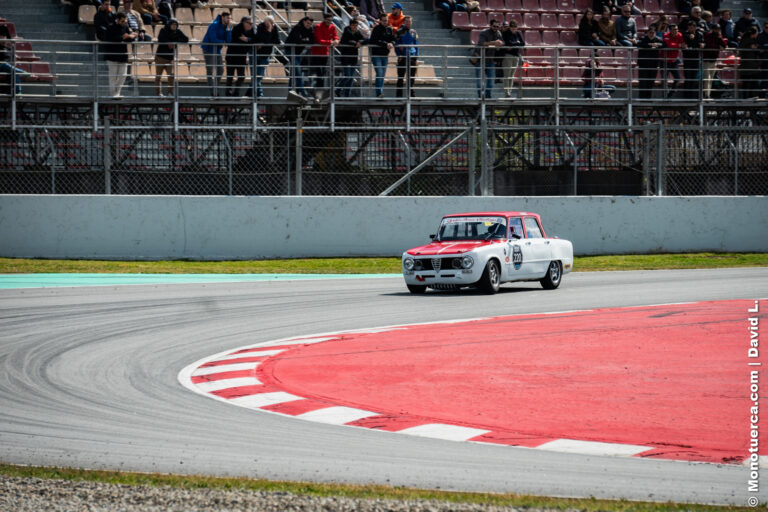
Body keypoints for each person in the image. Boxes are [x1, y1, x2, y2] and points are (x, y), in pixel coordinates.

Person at [104, 12, 137, 97]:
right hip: (112, 55)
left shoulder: (125, 27)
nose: (124, 23)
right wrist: (122, 37)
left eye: (125, 21)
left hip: (122, 54)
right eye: (122, 21)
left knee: (123, 75)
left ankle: (117, 92)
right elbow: (109, 40)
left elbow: (128, 40)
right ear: (117, 20)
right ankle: (113, 94)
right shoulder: (110, 27)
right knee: (113, 76)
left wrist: (132, 37)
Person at [201, 11, 233, 96]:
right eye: (227, 18)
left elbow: (229, 41)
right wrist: (222, 42)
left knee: (220, 70)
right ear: (222, 17)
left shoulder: (226, 26)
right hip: (208, 49)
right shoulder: (214, 25)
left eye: (230, 18)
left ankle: (215, 88)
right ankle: (212, 91)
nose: (229, 20)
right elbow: (213, 39)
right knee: (210, 70)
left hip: (217, 50)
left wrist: (229, 29)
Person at [154, 17, 188, 96]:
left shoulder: (177, 32)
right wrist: (168, 43)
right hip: (160, 57)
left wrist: (175, 42)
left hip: (170, 59)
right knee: (158, 76)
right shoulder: (163, 30)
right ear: (169, 24)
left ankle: (170, 92)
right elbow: (160, 39)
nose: (174, 26)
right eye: (173, 24)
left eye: (176, 25)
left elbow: (186, 39)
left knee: (171, 76)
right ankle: (158, 93)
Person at [310, 12, 340, 97]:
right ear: (324, 19)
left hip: (325, 53)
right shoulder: (318, 27)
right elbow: (319, 40)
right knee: (319, 72)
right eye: (327, 20)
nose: (329, 22)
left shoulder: (332, 27)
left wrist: (336, 41)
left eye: (331, 20)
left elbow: (335, 36)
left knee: (322, 72)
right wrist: (331, 42)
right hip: (317, 53)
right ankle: (318, 91)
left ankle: (320, 91)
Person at [225, 16, 254, 97]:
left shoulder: (251, 30)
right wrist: (247, 41)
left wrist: (247, 39)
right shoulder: (237, 28)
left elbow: (254, 40)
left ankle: (236, 92)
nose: (251, 25)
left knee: (241, 76)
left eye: (252, 23)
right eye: (249, 23)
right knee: (230, 76)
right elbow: (236, 39)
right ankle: (228, 93)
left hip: (241, 57)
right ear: (244, 22)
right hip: (232, 56)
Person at [285, 16, 314, 97]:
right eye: (308, 23)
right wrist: (306, 40)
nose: (309, 25)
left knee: (294, 71)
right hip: (290, 50)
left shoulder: (310, 29)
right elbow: (297, 40)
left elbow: (312, 40)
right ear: (304, 21)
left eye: (310, 24)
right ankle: (302, 90)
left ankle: (291, 90)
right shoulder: (297, 28)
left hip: (298, 52)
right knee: (297, 69)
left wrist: (303, 40)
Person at [475, 18, 503, 98]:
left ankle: (487, 97)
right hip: (480, 59)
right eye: (494, 26)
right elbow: (482, 43)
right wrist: (494, 42)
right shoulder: (484, 33)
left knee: (491, 81)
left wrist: (501, 43)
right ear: (490, 25)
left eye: (497, 27)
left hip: (490, 60)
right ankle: (480, 97)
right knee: (479, 81)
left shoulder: (498, 33)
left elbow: (503, 42)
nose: (496, 28)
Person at [369, 12, 395, 97]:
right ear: (380, 21)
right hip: (376, 55)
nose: (385, 22)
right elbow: (374, 40)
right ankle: (379, 92)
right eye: (383, 21)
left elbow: (393, 39)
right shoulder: (376, 29)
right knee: (380, 73)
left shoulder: (389, 29)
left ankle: (380, 92)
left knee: (382, 74)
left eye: (386, 21)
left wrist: (392, 43)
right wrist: (386, 44)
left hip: (385, 55)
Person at [253, 16, 280, 98]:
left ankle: (255, 92)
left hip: (266, 54)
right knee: (256, 74)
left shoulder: (274, 28)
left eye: (273, 22)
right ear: (266, 22)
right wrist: (268, 32)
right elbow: (261, 38)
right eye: (270, 22)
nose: (272, 24)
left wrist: (266, 40)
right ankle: (258, 93)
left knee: (260, 75)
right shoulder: (260, 27)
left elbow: (277, 41)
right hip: (257, 54)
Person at [338, 18, 366, 96]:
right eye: (353, 25)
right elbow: (344, 41)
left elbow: (364, 39)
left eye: (356, 26)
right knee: (348, 76)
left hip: (353, 57)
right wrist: (355, 43)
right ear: (350, 25)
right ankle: (338, 89)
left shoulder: (357, 32)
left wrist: (360, 42)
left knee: (351, 77)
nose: (354, 27)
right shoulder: (346, 31)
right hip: (346, 57)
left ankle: (347, 94)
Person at [637, 25, 664, 98]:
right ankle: (641, 99)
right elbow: (639, 44)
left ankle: (648, 99)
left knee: (650, 82)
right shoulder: (643, 38)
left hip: (653, 65)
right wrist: (651, 45)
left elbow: (664, 44)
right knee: (643, 83)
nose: (651, 34)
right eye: (650, 32)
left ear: (655, 33)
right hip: (643, 65)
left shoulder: (658, 39)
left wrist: (657, 45)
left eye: (653, 32)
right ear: (647, 33)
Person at [395, 15, 418, 97]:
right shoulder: (399, 32)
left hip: (412, 57)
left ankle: (411, 95)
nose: (408, 23)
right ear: (404, 22)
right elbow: (396, 45)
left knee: (411, 78)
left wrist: (416, 56)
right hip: (403, 57)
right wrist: (399, 55)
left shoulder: (414, 32)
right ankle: (399, 97)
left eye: (410, 21)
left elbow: (416, 44)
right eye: (407, 21)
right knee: (400, 78)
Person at [702, 24, 727, 98]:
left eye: (719, 29)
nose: (718, 30)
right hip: (706, 60)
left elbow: (724, 46)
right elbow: (709, 46)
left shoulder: (718, 36)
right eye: (716, 29)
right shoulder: (708, 35)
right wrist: (718, 46)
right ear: (712, 29)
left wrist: (719, 38)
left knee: (711, 79)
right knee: (707, 79)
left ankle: (708, 95)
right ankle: (706, 95)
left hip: (714, 60)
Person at [501, 19, 524, 97]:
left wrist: (514, 45)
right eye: (512, 28)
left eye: (515, 28)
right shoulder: (506, 33)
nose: (514, 30)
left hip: (516, 55)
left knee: (512, 75)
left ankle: (509, 92)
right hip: (508, 55)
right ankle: (506, 92)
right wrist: (517, 43)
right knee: (507, 75)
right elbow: (508, 43)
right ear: (510, 27)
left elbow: (523, 43)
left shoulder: (518, 33)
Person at [681, 18, 703, 98]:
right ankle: (686, 96)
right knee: (688, 77)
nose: (691, 28)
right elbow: (683, 43)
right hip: (687, 58)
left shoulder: (699, 34)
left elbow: (702, 43)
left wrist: (702, 45)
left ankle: (692, 96)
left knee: (693, 77)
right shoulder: (684, 34)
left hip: (696, 58)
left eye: (693, 26)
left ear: (695, 27)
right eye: (689, 26)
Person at [661, 24, 684, 97]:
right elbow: (669, 45)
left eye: (677, 29)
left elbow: (683, 44)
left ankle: (670, 95)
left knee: (678, 78)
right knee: (664, 80)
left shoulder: (679, 35)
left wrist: (678, 45)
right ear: (670, 30)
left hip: (673, 61)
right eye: (674, 29)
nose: (676, 31)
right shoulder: (665, 35)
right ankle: (664, 97)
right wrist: (678, 45)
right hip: (664, 61)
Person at [738, 26, 761, 98]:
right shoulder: (750, 41)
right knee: (751, 82)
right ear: (754, 33)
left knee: (746, 82)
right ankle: (750, 96)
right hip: (750, 65)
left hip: (746, 65)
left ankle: (747, 96)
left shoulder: (744, 40)